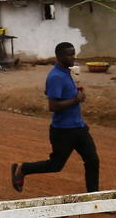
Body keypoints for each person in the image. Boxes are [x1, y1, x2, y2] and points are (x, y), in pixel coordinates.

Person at [11, 42, 99, 193]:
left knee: (92, 161)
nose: (73, 57)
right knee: (55, 165)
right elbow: (53, 106)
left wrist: (77, 93)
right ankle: (22, 169)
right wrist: (76, 100)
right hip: (63, 131)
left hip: (79, 127)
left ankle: (93, 198)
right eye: (69, 55)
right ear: (59, 57)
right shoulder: (56, 76)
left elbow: (51, 92)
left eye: (73, 54)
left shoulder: (67, 72)